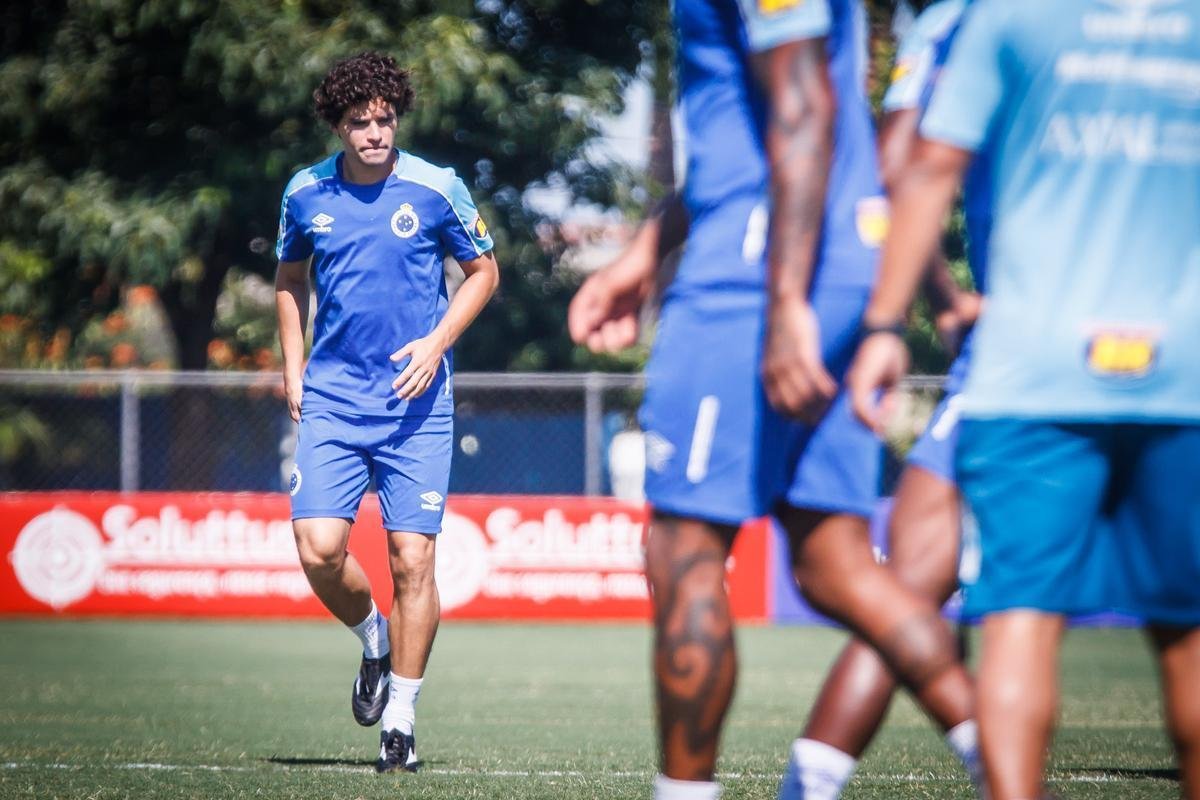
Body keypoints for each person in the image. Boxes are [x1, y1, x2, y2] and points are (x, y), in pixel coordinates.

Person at [570, 2, 977, 798]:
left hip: (758, 276)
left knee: (685, 552)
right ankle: (1009, 769)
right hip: (825, 257)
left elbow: (803, 107)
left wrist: (784, 301)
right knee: (832, 564)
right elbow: (762, 121)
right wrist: (648, 252)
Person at [847, 0, 1200, 797]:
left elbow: (925, 165)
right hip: (1186, 370)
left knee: (1017, 624)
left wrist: (883, 322)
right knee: (1187, 636)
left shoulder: (1004, 17)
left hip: (1033, 363)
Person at [778, 2, 989, 795]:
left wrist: (901, 311)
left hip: (1034, 350)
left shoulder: (963, 22)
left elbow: (900, 167)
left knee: (900, 579)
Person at [274, 51, 498, 774]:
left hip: (415, 403)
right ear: (337, 127)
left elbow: (484, 273)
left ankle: (399, 717)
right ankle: (373, 638)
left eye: (384, 119)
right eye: (359, 122)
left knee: (413, 560)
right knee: (318, 549)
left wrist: (437, 344)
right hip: (335, 401)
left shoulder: (437, 188)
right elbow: (287, 278)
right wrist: (291, 367)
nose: (374, 133)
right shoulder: (305, 192)